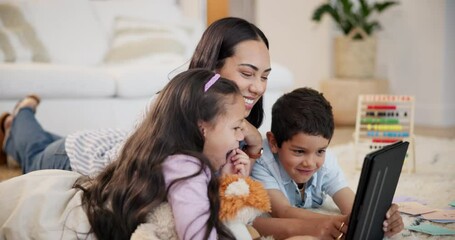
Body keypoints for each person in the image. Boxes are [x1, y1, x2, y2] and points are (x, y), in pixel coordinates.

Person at [0, 69, 252, 239]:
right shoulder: (186, 166)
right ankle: (21, 116)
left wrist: (222, 177)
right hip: (70, 175)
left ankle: (15, 124)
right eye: (236, 127)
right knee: (33, 153)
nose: (241, 137)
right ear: (202, 127)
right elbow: (196, 233)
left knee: (38, 145)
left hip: (77, 187)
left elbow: (193, 199)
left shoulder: (172, 150)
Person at [0, 17, 270, 176]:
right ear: (213, 68)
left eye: (265, 76)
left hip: (108, 140)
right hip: (82, 156)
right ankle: (21, 116)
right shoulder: (177, 106)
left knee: (47, 141)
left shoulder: (238, 125)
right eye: (248, 73)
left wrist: (255, 144)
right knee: (33, 155)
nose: (258, 88)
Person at [251, 87, 404, 239]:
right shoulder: (262, 160)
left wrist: (376, 220)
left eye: (320, 151)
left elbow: (349, 202)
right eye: (299, 151)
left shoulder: (326, 160)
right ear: (273, 142)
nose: (310, 163)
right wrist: (337, 223)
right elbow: (282, 211)